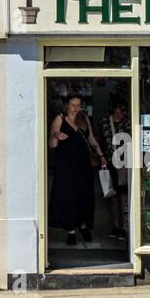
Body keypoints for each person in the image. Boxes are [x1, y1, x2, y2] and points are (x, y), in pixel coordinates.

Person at [49, 95, 108, 245]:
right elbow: (52, 144)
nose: (76, 108)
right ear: (66, 105)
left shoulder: (83, 118)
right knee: (69, 197)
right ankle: (71, 231)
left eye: (78, 105)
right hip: (66, 166)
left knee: (84, 195)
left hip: (83, 165)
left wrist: (100, 154)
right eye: (73, 105)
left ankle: (83, 225)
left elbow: (91, 139)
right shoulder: (59, 119)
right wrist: (56, 135)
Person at [98, 96, 130, 239]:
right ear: (114, 109)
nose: (123, 112)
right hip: (111, 162)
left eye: (124, 109)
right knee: (113, 195)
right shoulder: (105, 122)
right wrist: (101, 157)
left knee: (123, 195)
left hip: (125, 163)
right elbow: (100, 141)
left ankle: (124, 226)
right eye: (120, 109)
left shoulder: (127, 122)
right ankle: (116, 226)